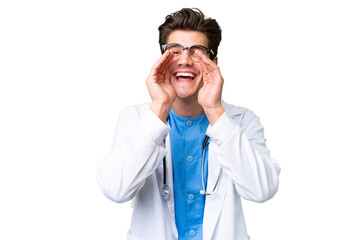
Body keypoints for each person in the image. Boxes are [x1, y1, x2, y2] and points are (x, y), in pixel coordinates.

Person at [97, 8, 281, 240]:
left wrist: (215, 111)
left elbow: (262, 190)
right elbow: (116, 189)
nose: (184, 60)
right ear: (161, 62)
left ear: (213, 62)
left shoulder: (241, 121)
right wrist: (159, 109)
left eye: (197, 52)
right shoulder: (135, 119)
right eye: (174, 52)